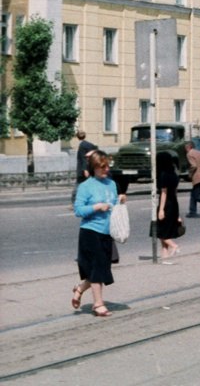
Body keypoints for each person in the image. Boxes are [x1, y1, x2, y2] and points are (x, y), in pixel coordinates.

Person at [71, 150, 125, 317]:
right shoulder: (86, 186)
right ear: (94, 167)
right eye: (102, 167)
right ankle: (98, 304)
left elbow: (114, 205)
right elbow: (78, 210)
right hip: (91, 232)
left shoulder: (111, 184)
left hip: (107, 232)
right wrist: (96, 207)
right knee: (97, 268)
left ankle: (79, 289)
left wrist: (121, 200)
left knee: (102, 268)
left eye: (107, 166)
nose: (106, 169)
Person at [155, 151, 182, 259]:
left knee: (160, 230)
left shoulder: (163, 175)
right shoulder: (174, 174)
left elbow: (164, 193)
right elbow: (175, 192)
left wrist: (161, 210)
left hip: (166, 204)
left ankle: (174, 246)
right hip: (174, 203)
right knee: (165, 229)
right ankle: (164, 253)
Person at [72, 129, 97, 206]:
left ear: (77, 137)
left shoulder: (82, 145)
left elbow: (83, 158)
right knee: (89, 186)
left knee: (77, 188)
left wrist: (85, 169)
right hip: (89, 169)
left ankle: (75, 203)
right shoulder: (89, 144)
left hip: (83, 171)